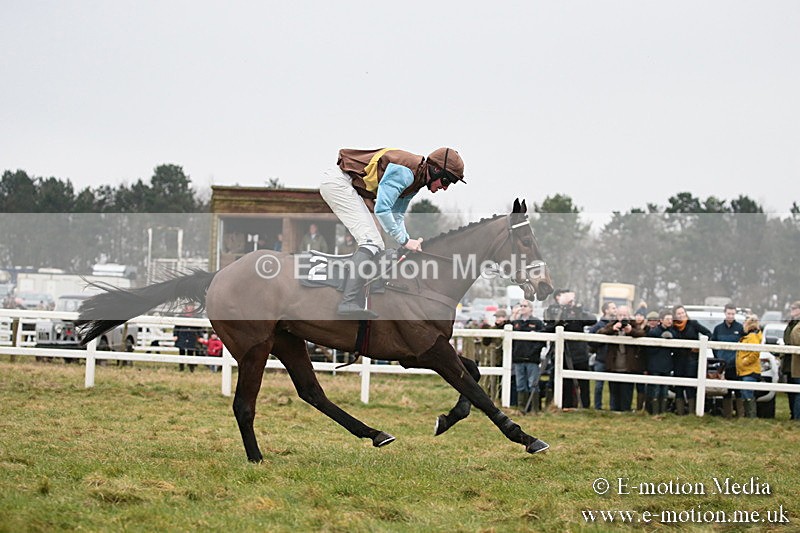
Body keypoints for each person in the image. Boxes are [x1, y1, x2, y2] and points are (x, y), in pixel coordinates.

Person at [320, 147, 465, 318]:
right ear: (436, 170)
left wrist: (407, 241)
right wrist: (404, 241)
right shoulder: (405, 174)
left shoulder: (416, 180)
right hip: (338, 183)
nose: (445, 188)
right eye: (447, 181)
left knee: (376, 243)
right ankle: (347, 301)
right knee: (372, 242)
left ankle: (358, 295)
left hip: (346, 183)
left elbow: (397, 216)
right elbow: (382, 209)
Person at [543, 289, 596, 409]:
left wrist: (577, 311)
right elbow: (549, 326)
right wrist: (562, 312)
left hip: (579, 354)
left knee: (583, 382)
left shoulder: (578, 312)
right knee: (565, 382)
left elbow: (592, 320)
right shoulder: (553, 311)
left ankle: (585, 406)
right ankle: (565, 406)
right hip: (562, 353)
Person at [598, 305, 646, 412]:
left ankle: (626, 412)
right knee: (614, 393)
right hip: (614, 366)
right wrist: (612, 329)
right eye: (620, 315)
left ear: (629, 316)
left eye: (625, 315)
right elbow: (600, 332)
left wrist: (631, 331)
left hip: (628, 367)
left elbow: (642, 333)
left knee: (627, 394)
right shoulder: (612, 324)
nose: (622, 317)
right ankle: (613, 411)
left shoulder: (634, 325)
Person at [671, 305, 712, 415]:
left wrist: (699, 346)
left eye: (682, 313)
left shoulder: (693, 324)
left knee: (690, 385)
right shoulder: (673, 326)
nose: (681, 315)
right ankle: (679, 411)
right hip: (678, 359)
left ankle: (691, 412)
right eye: (678, 314)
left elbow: (708, 333)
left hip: (691, 359)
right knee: (679, 385)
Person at [511, 300, 547, 414]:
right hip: (518, 358)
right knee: (520, 384)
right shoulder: (515, 322)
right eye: (520, 305)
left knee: (533, 384)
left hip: (532, 359)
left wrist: (534, 351)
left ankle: (534, 409)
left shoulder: (537, 323)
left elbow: (542, 340)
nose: (522, 308)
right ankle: (522, 408)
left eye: (525, 306)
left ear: (531, 309)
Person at [710, 303, 744, 418]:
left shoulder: (740, 328)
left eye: (733, 314)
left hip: (736, 364)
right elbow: (713, 343)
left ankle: (741, 415)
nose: (730, 316)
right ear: (725, 313)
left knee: (738, 390)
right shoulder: (718, 328)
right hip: (723, 365)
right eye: (729, 313)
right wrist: (719, 357)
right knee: (726, 391)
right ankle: (728, 415)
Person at [644, 310, 675, 415]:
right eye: (667, 319)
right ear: (661, 320)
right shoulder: (654, 332)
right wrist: (661, 342)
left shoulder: (673, 332)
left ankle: (663, 412)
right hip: (655, 366)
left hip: (667, 365)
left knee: (665, 390)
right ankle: (654, 412)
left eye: (671, 319)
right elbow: (649, 350)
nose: (670, 321)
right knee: (655, 390)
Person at [589, 301, 617, 410]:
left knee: (613, 386)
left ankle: (613, 407)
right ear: (606, 310)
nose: (615, 310)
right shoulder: (598, 325)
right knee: (599, 386)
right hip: (601, 359)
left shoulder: (616, 324)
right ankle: (597, 407)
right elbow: (590, 340)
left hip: (612, 360)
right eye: (613, 308)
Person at [736, 315, 762, 418]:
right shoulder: (748, 336)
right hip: (744, 371)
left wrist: (744, 362)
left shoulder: (752, 337)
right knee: (745, 393)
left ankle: (751, 416)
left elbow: (755, 353)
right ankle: (747, 416)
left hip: (749, 370)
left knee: (747, 394)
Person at [783, 301, 800, 420]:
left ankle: (796, 416)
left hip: (795, 362)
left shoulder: (796, 327)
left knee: (797, 391)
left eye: (794, 308)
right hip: (790, 362)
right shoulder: (791, 324)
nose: (792, 310)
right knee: (792, 391)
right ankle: (794, 415)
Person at [175, 303, 202, 373]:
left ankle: (191, 368)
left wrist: (200, 336)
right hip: (182, 336)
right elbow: (176, 327)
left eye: (192, 306)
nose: (190, 308)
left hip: (192, 336)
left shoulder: (196, 317)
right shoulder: (181, 316)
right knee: (182, 352)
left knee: (191, 352)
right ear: (186, 307)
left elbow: (199, 327)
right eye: (189, 306)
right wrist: (175, 335)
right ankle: (181, 368)